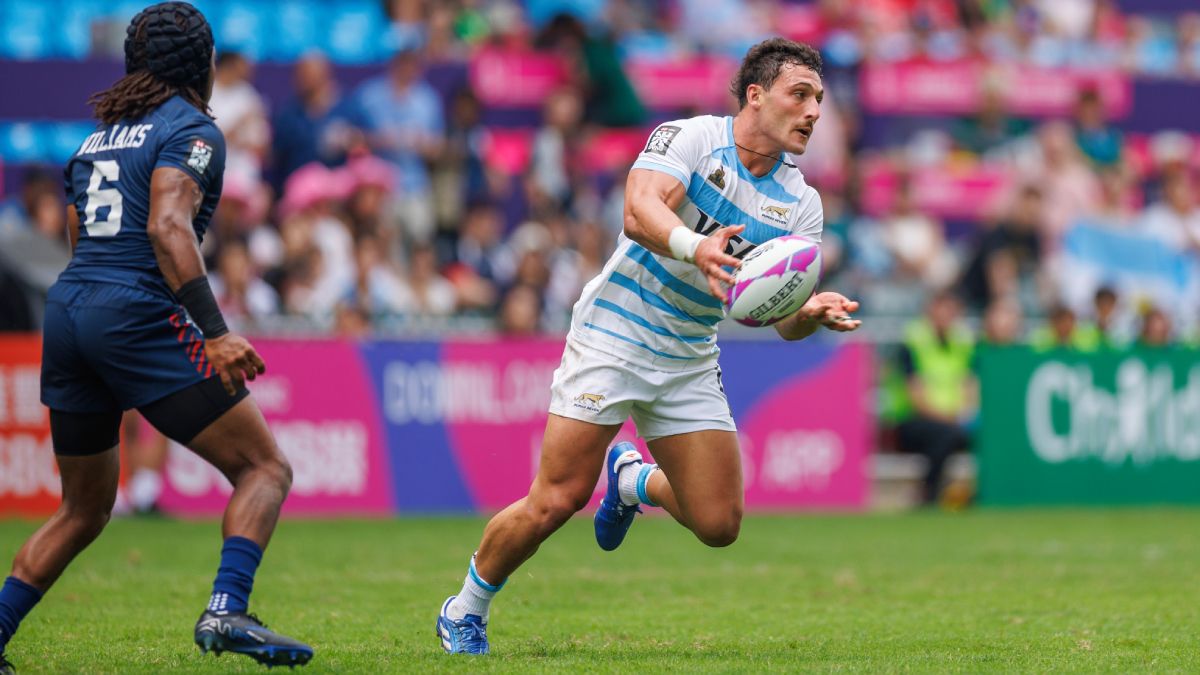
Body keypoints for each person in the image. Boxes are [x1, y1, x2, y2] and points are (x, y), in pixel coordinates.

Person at [435, 38, 861, 655]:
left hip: (688, 353)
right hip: (616, 333)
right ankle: (464, 609)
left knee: (719, 524)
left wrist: (807, 310)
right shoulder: (689, 138)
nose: (813, 111)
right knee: (557, 499)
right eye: (800, 95)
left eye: (819, 99)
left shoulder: (803, 205)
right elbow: (637, 211)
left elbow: (778, 320)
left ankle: (633, 480)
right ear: (756, 95)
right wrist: (695, 245)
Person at [0, 5, 312, 672]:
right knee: (265, 468)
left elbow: (79, 238)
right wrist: (217, 332)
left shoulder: (97, 138)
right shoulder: (193, 129)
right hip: (132, 310)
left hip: (71, 307)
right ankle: (227, 607)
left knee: (83, 508)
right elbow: (169, 225)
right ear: (203, 65)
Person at [894, 291, 976, 506]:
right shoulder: (914, 340)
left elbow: (969, 385)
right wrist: (951, 419)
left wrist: (964, 413)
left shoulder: (963, 341)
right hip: (913, 420)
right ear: (931, 311)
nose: (948, 316)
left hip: (953, 421)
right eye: (943, 310)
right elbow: (916, 396)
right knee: (946, 436)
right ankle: (930, 494)